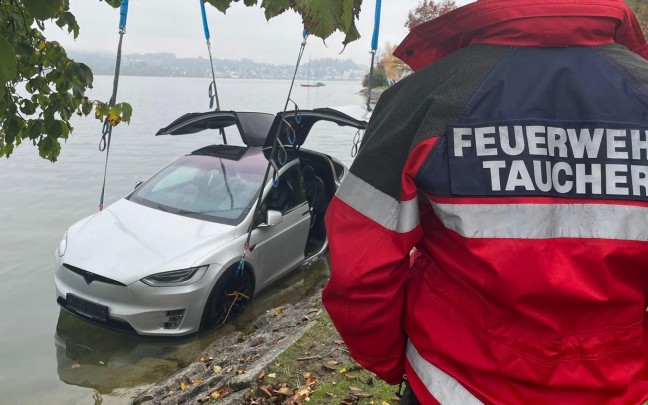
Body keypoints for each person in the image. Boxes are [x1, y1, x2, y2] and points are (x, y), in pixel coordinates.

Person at [321, 0, 648, 403]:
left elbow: (359, 270)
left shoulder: (424, 96)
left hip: (450, 384)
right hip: (612, 386)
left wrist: (391, 361)